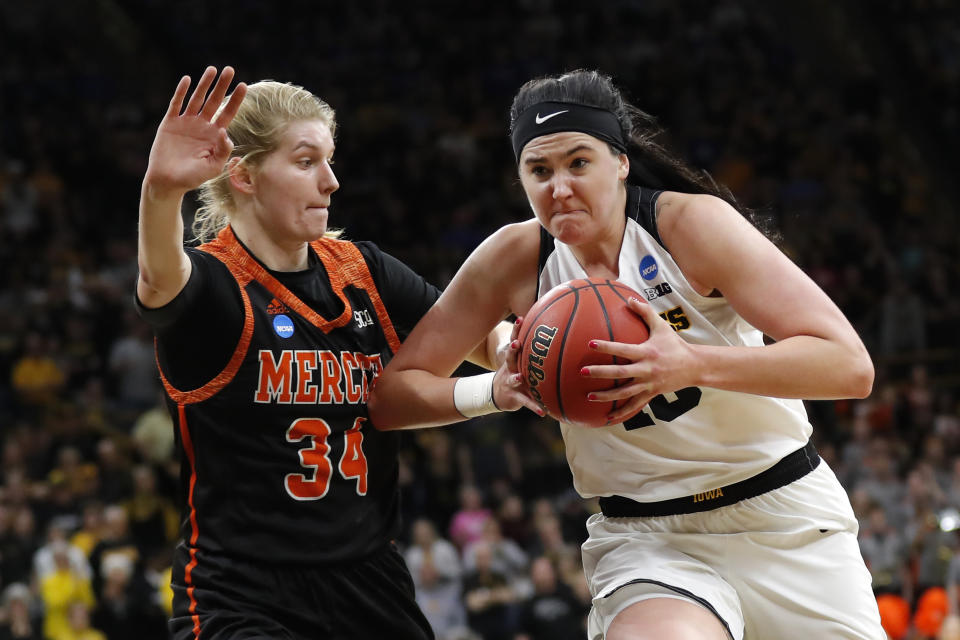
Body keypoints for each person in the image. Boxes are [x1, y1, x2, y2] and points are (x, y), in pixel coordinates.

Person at [369, 69, 885, 639]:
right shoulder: (514, 258)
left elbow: (848, 365)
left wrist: (690, 363)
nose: (558, 186)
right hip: (649, 539)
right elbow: (392, 397)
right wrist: (494, 389)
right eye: (538, 171)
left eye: (578, 163)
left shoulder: (690, 226)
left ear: (621, 162)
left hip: (783, 516)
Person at [135, 66, 510, 639]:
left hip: (369, 581)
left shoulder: (364, 271)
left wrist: (527, 351)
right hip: (243, 595)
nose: (331, 181)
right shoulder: (214, 288)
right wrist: (162, 193)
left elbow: (480, 335)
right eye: (307, 161)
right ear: (244, 175)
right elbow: (160, 277)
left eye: (329, 161)